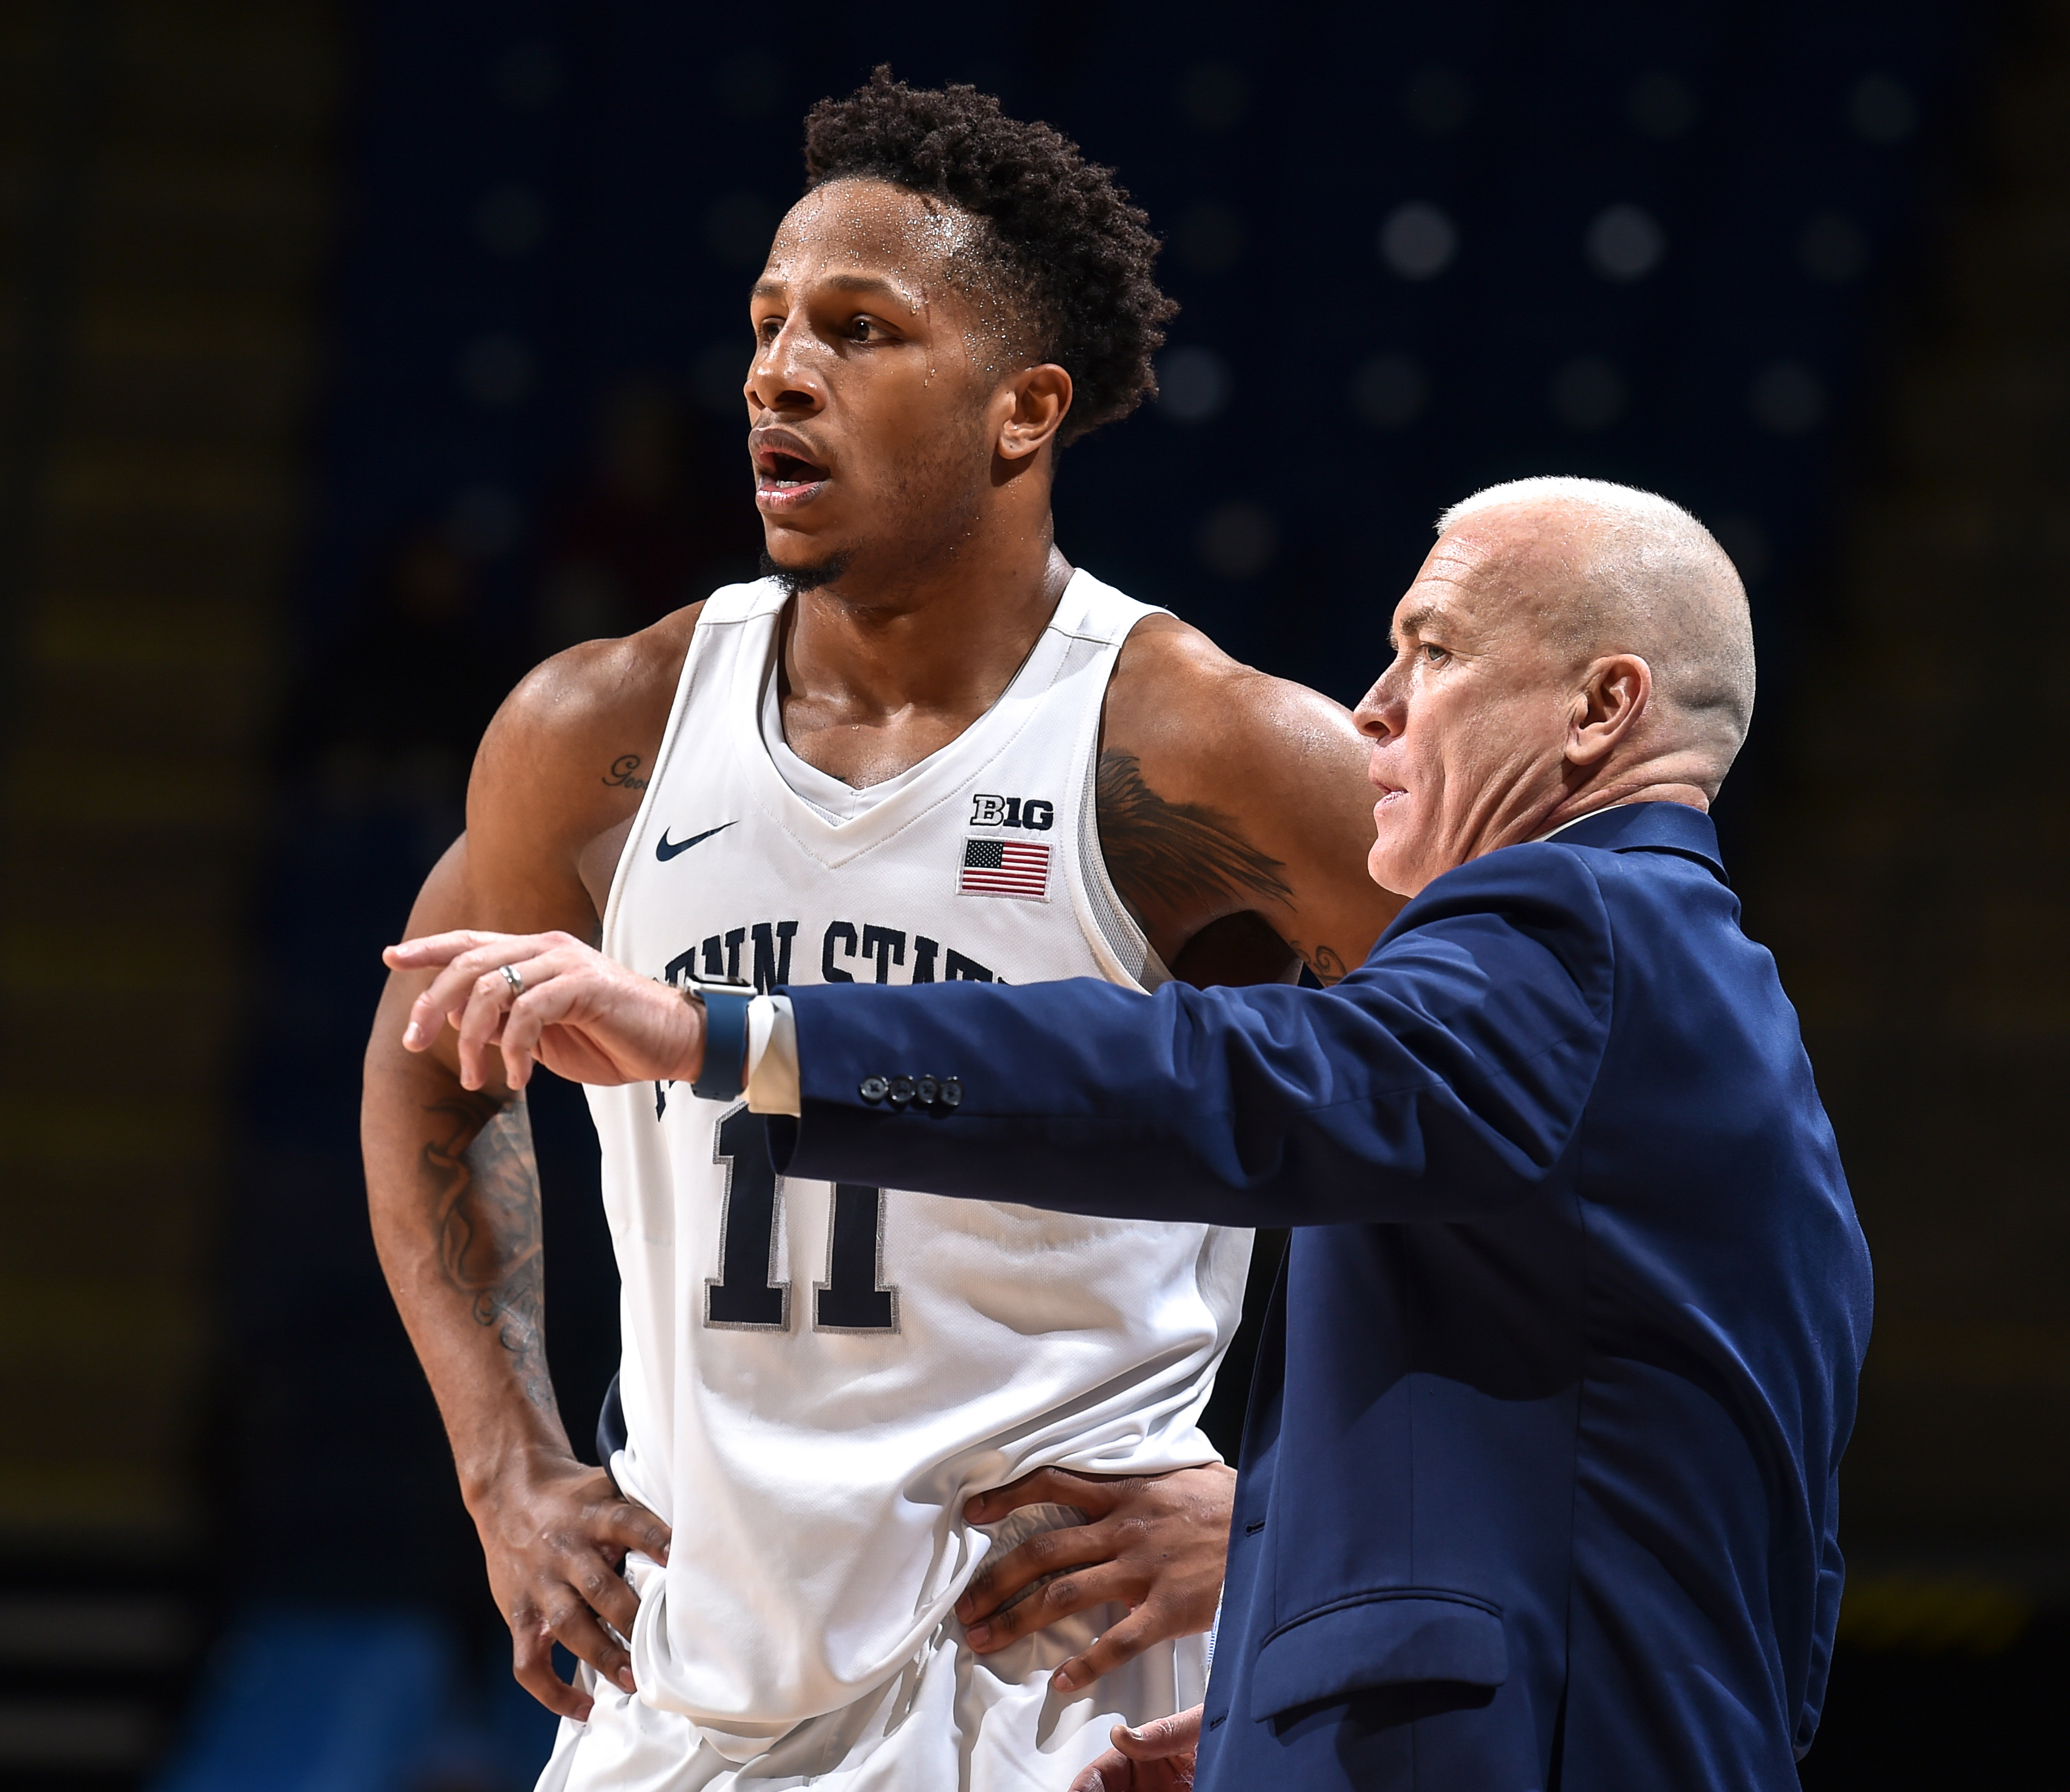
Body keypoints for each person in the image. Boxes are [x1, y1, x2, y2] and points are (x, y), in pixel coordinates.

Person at [393, 478, 1873, 1791]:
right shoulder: (1700, 998)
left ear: (1600, 709)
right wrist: (1296, 1669)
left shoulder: (1573, 932)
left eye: (1432, 651)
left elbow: (1212, 1081)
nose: (1372, 706)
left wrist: (738, 1035)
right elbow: (1714, 1530)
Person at [364, 71, 1400, 1792]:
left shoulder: (1204, 748)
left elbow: (1526, 1124)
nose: (778, 370)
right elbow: (431, 1058)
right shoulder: (599, 729)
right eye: (767, 325)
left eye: (859, 330)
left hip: (1063, 1684)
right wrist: (506, 1463)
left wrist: (1298, 1504)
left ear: (1023, 410)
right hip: (689, 1666)